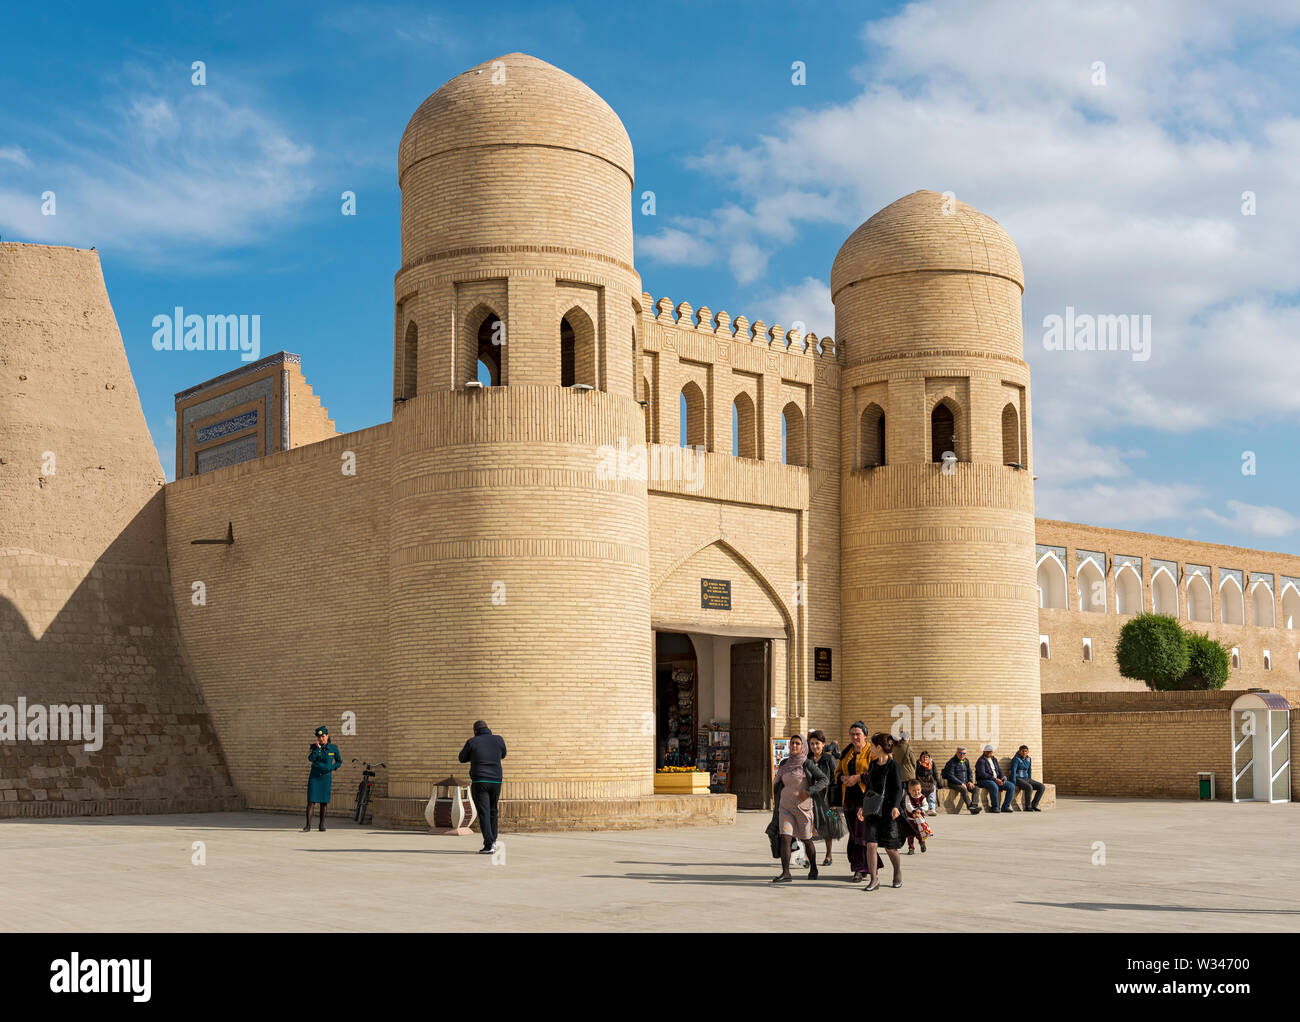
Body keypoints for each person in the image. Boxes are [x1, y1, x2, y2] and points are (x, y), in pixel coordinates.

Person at [768, 734, 827, 883]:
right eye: (792, 743)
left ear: (803, 746)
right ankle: (786, 873)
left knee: (807, 840)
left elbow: (824, 779)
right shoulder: (784, 763)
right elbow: (778, 782)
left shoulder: (807, 763)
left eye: (797, 744)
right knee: (785, 838)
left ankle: (813, 868)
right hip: (785, 807)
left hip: (803, 808)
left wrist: (809, 791)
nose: (794, 746)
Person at [857, 732, 904, 891]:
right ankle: (874, 879)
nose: (870, 748)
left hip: (889, 810)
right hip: (873, 810)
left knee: (890, 847)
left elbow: (898, 789)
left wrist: (896, 806)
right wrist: (862, 807)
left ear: (879, 747)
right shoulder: (872, 765)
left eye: (872, 746)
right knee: (871, 844)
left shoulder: (894, 766)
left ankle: (897, 872)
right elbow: (869, 788)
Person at [838, 721, 883, 881]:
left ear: (865, 735)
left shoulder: (872, 752)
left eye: (858, 734)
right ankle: (870, 865)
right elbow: (838, 771)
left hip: (865, 799)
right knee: (853, 834)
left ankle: (860, 868)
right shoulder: (846, 752)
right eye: (852, 734)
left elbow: (877, 775)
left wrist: (858, 778)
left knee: (861, 833)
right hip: (848, 798)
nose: (855, 737)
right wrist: (842, 778)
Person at [458, 719, 507, 853]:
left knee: (484, 812)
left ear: (475, 731)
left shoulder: (472, 741)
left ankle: (489, 844)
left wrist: (473, 755)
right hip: (496, 780)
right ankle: (493, 841)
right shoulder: (498, 739)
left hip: (480, 781)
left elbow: (461, 758)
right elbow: (503, 754)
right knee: (493, 810)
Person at [807, 729, 844, 867]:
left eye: (817, 743)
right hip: (810, 798)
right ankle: (806, 855)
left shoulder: (829, 760)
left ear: (823, 744)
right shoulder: (807, 760)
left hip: (826, 799)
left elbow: (834, 781)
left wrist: (834, 802)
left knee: (827, 826)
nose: (815, 746)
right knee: (808, 825)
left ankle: (828, 855)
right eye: (812, 744)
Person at [304, 725, 341, 832]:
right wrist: (318, 749)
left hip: (326, 778)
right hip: (315, 777)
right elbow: (311, 758)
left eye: (323, 736)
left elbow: (339, 761)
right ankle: (308, 825)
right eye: (319, 737)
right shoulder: (314, 747)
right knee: (311, 801)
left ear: (327, 736)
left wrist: (332, 768)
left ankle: (321, 825)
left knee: (324, 802)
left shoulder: (333, 748)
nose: (321, 739)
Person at [942, 746, 982, 814]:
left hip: (965, 782)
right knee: (963, 789)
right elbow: (950, 775)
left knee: (976, 788)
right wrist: (960, 783)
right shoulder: (952, 762)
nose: (962, 755)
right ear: (956, 753)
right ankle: (971, 808)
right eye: (960, 753)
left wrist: (970, 781)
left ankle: (974, 806)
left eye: (964, 753)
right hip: (954, 783)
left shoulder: (966, 761)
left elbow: (969, 772)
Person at [975, 745, 1015, 813]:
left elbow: (999, 770)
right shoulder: (981, 761)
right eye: (987, 752)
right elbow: (983, 774)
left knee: (1011, 786)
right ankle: (995, 807)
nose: (989, 753)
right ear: (984, 751)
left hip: (995, 780)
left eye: (990, 752)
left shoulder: (994, 759)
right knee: (994, 786)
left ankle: (1005, 807)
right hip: (983, 780)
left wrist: (1002, 777)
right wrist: (995, 779)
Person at [900, 779, 933, 853]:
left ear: (921, 789)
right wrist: (913, 811)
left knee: (919, 834)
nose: (916, 792)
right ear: (909, 790)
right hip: (910, 820)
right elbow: (908, 806)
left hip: (920, 821)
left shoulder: (922, 797)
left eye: (918, 790)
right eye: (914, 790)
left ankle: (922, 843)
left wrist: (921, 809)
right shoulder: (908, 797)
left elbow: (926, 806)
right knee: (910, 835)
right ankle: (911, 848)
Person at [1009, 745, 1045, 811]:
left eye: (1026, 751)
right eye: (1022, 751)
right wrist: (1014, 784)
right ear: (1019, 751)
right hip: (1018, 779)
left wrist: (1030, 779)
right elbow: (1013, 772)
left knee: (1041, 786)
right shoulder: (1016, 759)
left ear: (1028, 752)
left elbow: (1029, 770)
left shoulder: (1029, 759)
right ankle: (1028, 807)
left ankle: (1034, 805)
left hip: (1027, 779)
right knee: (1029, 787)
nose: (1024, 753)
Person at [915, 750, 941, 815]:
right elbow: (915, 773)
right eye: (923, 757)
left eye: (927, 757)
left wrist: (938, 783)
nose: (925, 759)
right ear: (921, 757)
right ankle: (922, 809)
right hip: (920, 781)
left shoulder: (931, 763)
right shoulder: (918, 764)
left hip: (930, 781)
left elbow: (935, 774)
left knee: (932, 790)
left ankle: (932, 808)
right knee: (920, 793)